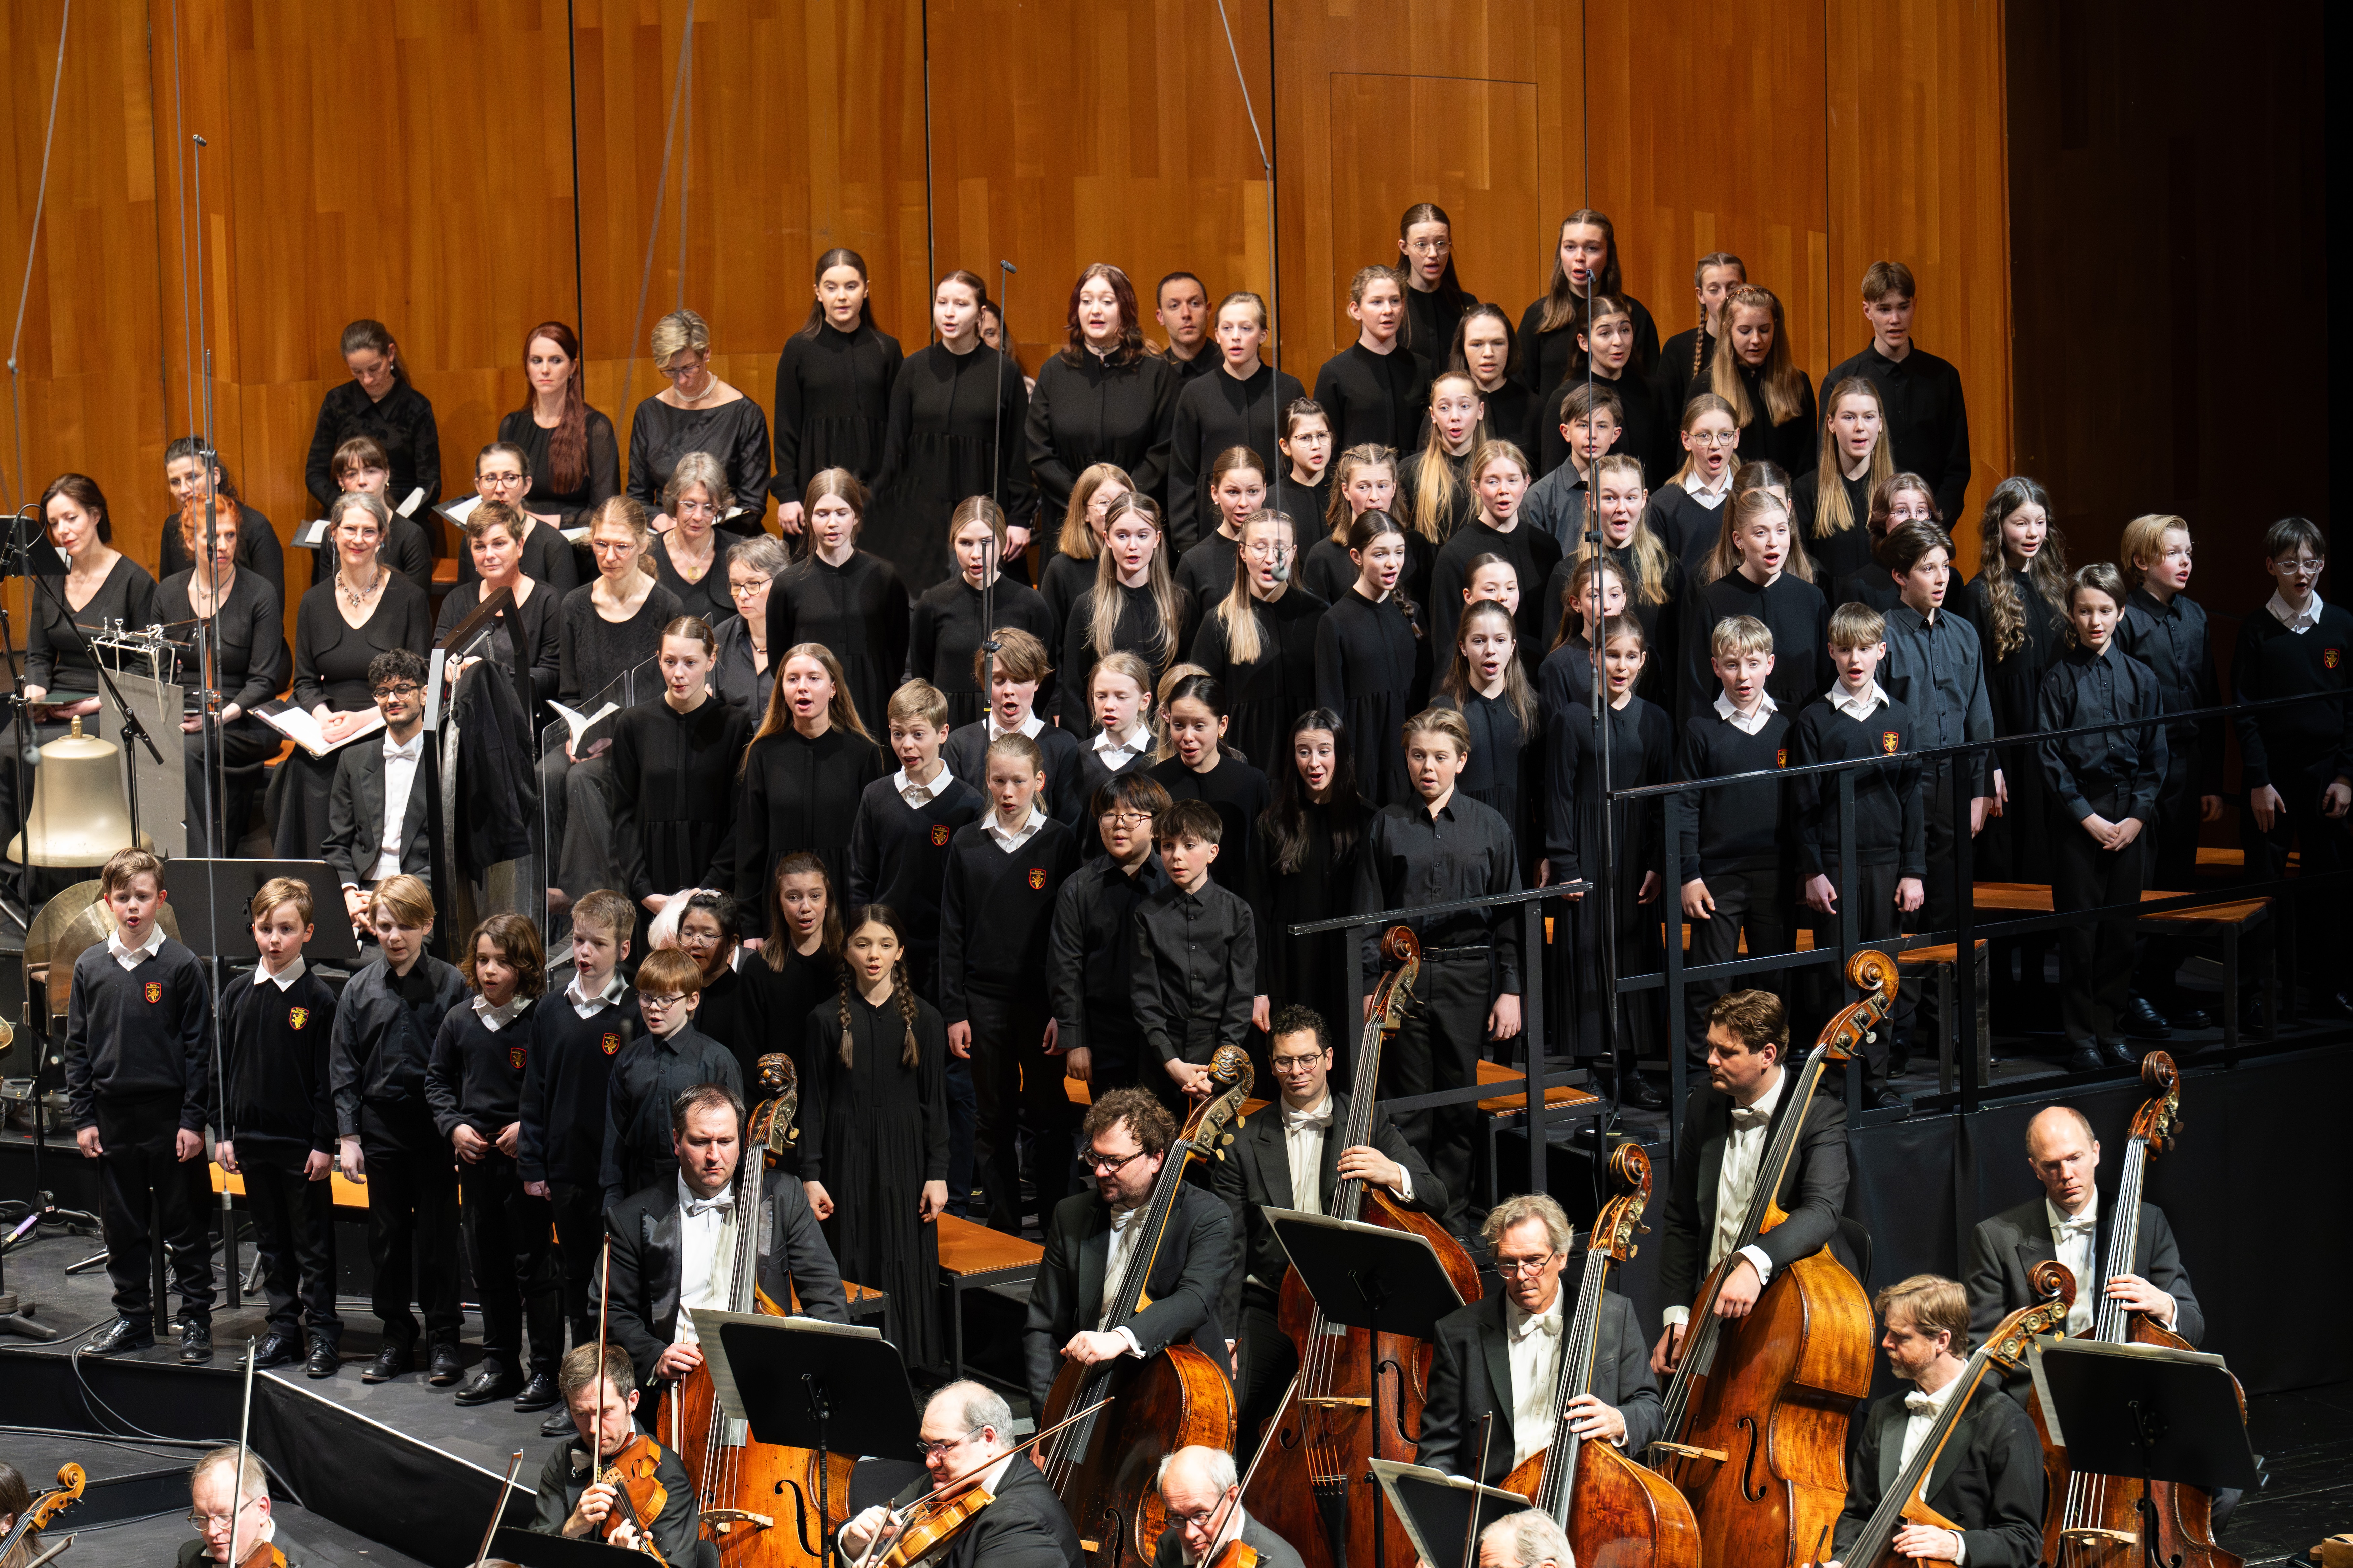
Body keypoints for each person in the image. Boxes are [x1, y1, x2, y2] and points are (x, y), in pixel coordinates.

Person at [1216, 1006, 1436, 1449]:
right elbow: (1229, 1248)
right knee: (1231, 1411)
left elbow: (1437, 1194)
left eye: (1308, 1059)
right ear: (1271, 1065)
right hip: (1273, 1301)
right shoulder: (1241, 1140)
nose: (1297, 1071)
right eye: (1284, 1061)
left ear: (1329, 1058)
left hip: (1356, 1303)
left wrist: (1392, 1172)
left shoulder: (1367, 1121)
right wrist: (1225, 1332)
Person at [1352, 706, 1521, 1228]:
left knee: (1458, 1101)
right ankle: (1410, 1209)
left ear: (1461, 761)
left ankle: (1452, 1214)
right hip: (1403, 977)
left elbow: (1512, 914)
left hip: (1469, 974)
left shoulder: (1490, 825)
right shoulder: (1386, 824)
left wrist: (1511, 989)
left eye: (1440, 757)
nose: (1428, 767)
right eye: (1418, 755)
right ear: (1406, 758)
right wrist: (1367, 984)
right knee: (1408, 1101)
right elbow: (1369, 913)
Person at [1651, 990, 1850, 1376]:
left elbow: (1822, 1209)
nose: (1710, 1060)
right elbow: (1682, 1219)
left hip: (1786, 1310)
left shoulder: (1819, 1114)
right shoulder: (1703, 1104)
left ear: (1767, 1055)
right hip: (1711, 1306)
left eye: (1726, 1052)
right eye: (1710, 1047)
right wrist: (1677, 1316)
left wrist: (1754, 1262)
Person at [65, 847, 215, 1361]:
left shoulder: (181, 965)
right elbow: (77, 1049)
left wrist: (194, 1120)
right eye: (123, 897)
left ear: (160, 900)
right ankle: (134, 1319)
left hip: (169, 1117)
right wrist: (83, 1117)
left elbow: (200, 1050)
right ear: (108, 902)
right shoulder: (89, 966)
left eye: (143, 897)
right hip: (111, 1118)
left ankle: (196, 1319)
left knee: (185, 1221)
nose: (133, 906)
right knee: (123, 1225)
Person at [603, 1081, 848, 1396]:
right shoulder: (630, 1218)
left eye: (726, 1141)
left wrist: (805, 1375)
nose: (714, 1156)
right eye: (701, 1141)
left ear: (742, 1142)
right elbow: (612, 1312)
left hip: (769, 1380)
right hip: (681, 1387)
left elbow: (826, 1297)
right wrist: (657, 1356)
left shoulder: (784, 1196)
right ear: (677, 1141)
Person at [329, 874, 471, 1385]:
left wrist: (459, 1127)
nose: (395, 936)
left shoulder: (453, 984)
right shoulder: (358, 989)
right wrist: (348, 1137)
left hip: (435, 1130)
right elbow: (344, 1068)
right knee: (386, 1241)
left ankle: (445, 1340)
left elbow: (463, 1061)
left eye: (407, 926)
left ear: (427, 925)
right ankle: (395, 1336)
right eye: (385, 925)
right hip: (382, 1128)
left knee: (437, 1239)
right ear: (371, 926)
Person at [940, 733, 1083, 1233]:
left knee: (1050, 1117)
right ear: (987, 779)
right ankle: (1003, 1228)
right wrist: (956, 1010)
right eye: (998, 780)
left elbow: (1069, 937)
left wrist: (1063, 1012)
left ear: (1038, 781)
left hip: (1041, 1004)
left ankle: (1056, 1225)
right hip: (984, 1002)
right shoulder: (966, 842)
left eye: (1019, 781)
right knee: (993, 1116)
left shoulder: (1060, 841)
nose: (1008, 790)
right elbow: (952, 931)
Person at [799, 905, 951, 1368]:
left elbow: (937, 1103)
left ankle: (908, 1360)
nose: (874, 954)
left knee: (904, 1254)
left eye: (885, 944)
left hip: (906, 1157)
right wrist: (811, 1173)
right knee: (853, 1250)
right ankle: (854, 1364)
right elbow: (815, 1103)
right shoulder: (825, 1020)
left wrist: (938, 1172)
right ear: (846, 950)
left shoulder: (925, 1019)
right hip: (847, 1155)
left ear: (901, 951)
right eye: (863, 943)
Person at [1418, 1192, 1660, 1481]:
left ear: (1562, 1257)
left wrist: (1617, 1420)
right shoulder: (1458, 1332)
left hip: (1585, 1496)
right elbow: (1438, 1448)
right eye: (1509, 1264)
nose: (1521, 1276)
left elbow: (1650, 1412)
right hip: (1496, 1502)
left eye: (1534, 1261)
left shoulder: (1612, 1315)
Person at [1022, 1088, 1236, 1410]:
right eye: (1095, 1157)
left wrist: (1120, 1338)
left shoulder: (1206, 1216)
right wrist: (1049, 1416)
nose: (1099, 1171)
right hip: (1090, 1388)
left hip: (1178, 1393)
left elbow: (1195, 1299)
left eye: (1115, 1162)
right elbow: (1043, 1325)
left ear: (1155, 1158)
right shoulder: (1071, 1215)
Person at [517, 887, 641, 1431]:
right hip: (566, 1171)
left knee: (616, 1288)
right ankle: (581, 1395)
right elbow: (536, 1092)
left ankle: (622, 1395)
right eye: (579, 940)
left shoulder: (636, 1010)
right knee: (574, 1283)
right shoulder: (551, 1009)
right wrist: (533, 1165)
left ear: (625, 949)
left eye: (598, 943)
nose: (585, 952)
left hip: (620, 1178)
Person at [426, 913, 561, 1410]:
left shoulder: (544, 1017)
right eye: (482, 960)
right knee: (489, 1268)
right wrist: (454, 1125)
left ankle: (547, 1370)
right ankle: (500, 1364)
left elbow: (557, 1085)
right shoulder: (461, 1018)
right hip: (478, 1162)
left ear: (523, 966)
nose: (489, 970)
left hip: (526, 1166)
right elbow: (437, 1080)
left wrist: (529, 1128)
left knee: (534, 1268)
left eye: (502, 962)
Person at [1791, 604, 1924, 1105]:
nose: (1855, 658)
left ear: (1881, 652)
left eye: (1865, 649)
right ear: (1831, 652)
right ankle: (1836, 1081)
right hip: (1836, 863)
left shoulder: (1901, 718)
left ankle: (1876, 1080)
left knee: (1882, 972)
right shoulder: (1814, 720)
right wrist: (1813, 870)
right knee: (1837, 974)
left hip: (1887, 860)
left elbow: (1913, 799)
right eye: (1845, 649)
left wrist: (1913, 871)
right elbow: (1802, 801)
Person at [1822, 1275, 2045, 1568]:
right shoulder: (1885, 1412)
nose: (1886, 1343)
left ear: (1941, 1341)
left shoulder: (2006, 1421)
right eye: (1888, 1332)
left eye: (1901, 1336)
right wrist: (1842, 1563)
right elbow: (1858, 1515)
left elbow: (2025, 1541)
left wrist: (1955, 1544)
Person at [2039, 562, 2167, 1071]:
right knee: (2080, 934)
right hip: (2080, 819)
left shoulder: (2142, 678)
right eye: (2085, 611)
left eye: (2105, 611)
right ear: (2072, 614)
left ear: (2120, 612)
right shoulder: (2058, 680)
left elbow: (2158, 757)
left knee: (2120, 930)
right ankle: (2081, 1037)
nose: (2095, 621)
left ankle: (2111, 1028)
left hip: (2129, 815)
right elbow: (2049, 757)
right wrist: (2086, 817)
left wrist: (2136, 817)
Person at [214, 877, 342, 1378]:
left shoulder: (319, 998)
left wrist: (322, 1141)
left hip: (300, 1147)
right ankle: (284, 1328)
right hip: (251, 1140)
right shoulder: (236, 993)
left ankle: (325, 1333)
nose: (274, 939)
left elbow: (328, 1079)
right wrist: (223, 1131)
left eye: (286, 929)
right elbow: (220, 1071)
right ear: (253, 929)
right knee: (271, 1240)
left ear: (307, 932)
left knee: (312, 1241)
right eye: (266, 928)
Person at [1878, 522, 1998, 1054]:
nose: (1941, 577)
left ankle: (1946, 1026)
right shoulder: (1883, 634)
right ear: (1901, 575)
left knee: (1952, 904)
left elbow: (1980, 715)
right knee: (1906, 906)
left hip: (1955, 782)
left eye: (1945, 566)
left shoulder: (1964, 632)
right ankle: (1897, 1028)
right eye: (1928, 568)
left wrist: (1978, 787)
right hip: (1906, 783)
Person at [1545, 614, 1671, 1104]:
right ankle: (1588, 1068)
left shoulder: (1656, 720)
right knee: (1585, 955)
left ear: (1642, 661)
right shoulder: (1573, 719)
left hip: (1636, 856)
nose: (1620, 665)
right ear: (1595, 657)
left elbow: (1665, 796)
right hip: (1588, 850)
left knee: (1634, 953)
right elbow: (1557, 795)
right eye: (1611, 654)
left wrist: (1659, 862)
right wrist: (1565, 862)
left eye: (1630, 656)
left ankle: (1631, 1068)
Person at [2231, 514, 2353, 1014]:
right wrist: (2259, 780)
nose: (2301, 572)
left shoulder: (2342, 624)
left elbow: (2351, 708)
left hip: (2327, 774)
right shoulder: (2256, 630)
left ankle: (2330, 988)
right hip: (2273, 779)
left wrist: (2346, 775)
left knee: (2332, 885)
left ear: (2321, 564)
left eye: (2310, 562)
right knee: (2263, 887)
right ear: (2271, 566)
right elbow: (2243, 712)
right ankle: (2259, 993)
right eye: (2289, 563)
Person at [3, 477, 161, 863]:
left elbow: (144, 666)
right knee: (8, 748)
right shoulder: (50, 575)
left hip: (109, 701)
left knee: (62, 755)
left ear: (95, 515)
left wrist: (95, 703)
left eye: (70, 518)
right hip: (56, 699)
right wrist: (36, 691)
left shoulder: (135, 580)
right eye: (54, 524)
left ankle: (80, 867)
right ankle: (22, 871)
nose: (62, 531)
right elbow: (39, 655)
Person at [274, 490, 433, 862]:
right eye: (349, 529)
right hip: (329, 728)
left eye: (368, 531)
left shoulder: (409, 598)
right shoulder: (313, 601)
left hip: (389, 722)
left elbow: (419, 683)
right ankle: (315, 894)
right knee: (302, 771)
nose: (357, 540)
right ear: (334, 533)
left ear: (382, 538)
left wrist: (364, 718)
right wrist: (323, 717)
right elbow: (306, 682)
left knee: (362, 768)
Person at [547, 497, 687, 902]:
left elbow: (670, 689)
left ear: (644, 544)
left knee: (583, 778)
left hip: (646, 737)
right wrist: (576, 736)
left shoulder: (666, 606)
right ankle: (549, 890)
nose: (610, 556)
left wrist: (617, 738)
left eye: (621, 546)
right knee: (546, 773)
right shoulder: (575, 604)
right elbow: (570, 690)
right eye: (601, 545)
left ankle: (591, 899)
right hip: (586, 732)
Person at [2116, 514, 2224, 1030]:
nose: (2185, 561)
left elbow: (2210, 699)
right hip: (2142, 769)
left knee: (2179, 882)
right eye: (2173, 552)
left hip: (2188, 764)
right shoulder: (2126, 619)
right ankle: (2132, 992)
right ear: (2141, 562)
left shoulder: (2196, 616)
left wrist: (2210, 783)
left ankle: (2166, 983)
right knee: (2145, 881)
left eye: (2188, 551)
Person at [872, 270, 1034, 595]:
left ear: (981, 313)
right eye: (941, 302)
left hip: (985, 516)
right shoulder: (914, 368)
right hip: (922, 524)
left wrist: (1019, 518)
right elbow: (895, 450)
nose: (949, 312)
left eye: (961, 304)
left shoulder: (1005, 372)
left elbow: (1018, 453)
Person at [1677, 615, 1796, 1047]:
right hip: (1717, 877)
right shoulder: (1700, 729)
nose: (1742, 676)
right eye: (1731, 665)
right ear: (1714, 667)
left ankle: (1772, 1064)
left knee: (1773, 977)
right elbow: (1685, 807)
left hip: (1775, 872)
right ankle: (1699, 1072)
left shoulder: (1790, 724)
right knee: (1710, 981)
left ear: (1770, 663)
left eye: (1751, 663)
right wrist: (1689, 875)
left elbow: (1804, 804)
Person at [158, 491, 287, 853]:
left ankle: (201, 859)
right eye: (211, 537)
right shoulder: (168, 592)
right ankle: (153, 854)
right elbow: (158, 668)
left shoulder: (259, 592)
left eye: (230, 535)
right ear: (188, 540)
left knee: (188, 750)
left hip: (243, 717)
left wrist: (217, 717)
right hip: (186, 713)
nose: (223, 545)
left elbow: (263, 681)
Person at [838, 1382, 1081, 1568]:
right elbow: (872, 1527)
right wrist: (853, 1541)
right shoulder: (949, 1480)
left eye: (942, 1447)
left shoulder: (1024, 1526)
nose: (930, 1461)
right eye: (927, 1447)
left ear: (987, 1439)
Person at [849, 680, 986, 998]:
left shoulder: (969, 804)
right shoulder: (876, 795)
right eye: (898, 734)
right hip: (884, 950)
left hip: (942, 952)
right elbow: (861, 878)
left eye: (918, 734)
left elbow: (971, 891)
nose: (907, 745)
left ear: (943, 733)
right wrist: (864, 938)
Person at [1250, 712, 1375, 1049]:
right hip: (1290, 970)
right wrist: (1260, 988)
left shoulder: (1368, 823)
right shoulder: (1272, 824)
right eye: (1303, 751)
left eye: (1324, 751)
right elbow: (1258, 912)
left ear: (1341, 755)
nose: (1314, 763)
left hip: (1347, 969)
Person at [1049, 772, 1172, 1103]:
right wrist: (1076, 1041)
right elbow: (1066, 968)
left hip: (1166, 1031)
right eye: (1109, 815)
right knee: (1113, 1127)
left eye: (1133, 815)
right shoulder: (1078, 888)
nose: (1119, 825)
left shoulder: (1174, 883)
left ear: (1156, 824)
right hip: (1103, 1032)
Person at [1130, 798, 1258, 1116]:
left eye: (1189, 845)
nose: (1177, 856)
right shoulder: (1148, 913)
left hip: (1218, 1050)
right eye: (1168, 846)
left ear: (1213, 852)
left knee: (1215, 1155)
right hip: (1162, 1052)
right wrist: (1173, 1065)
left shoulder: (1237, 912)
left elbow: (1241, 997)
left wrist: (1219, 1069)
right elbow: (1145, 996)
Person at [1821, 261, 1972, 526]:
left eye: (1903, 307)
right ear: (1867, 310)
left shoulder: (1943, 377)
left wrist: (1933, 526)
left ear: (1915, 305)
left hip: (1928, 529)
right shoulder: (1841, 380)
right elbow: (1828, 464)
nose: (1895, 319)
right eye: (1884, 309)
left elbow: (1957, 468)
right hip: (1862, 526)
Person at [735, 642, 889, 902]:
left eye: (814, 678)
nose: (802, 687)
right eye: (793, 679)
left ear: (833, 689)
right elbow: (750, 846)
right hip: (780, 899)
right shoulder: (763, 753)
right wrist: (750, 924)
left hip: (843, 898)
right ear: (782, 690)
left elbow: (874, 845)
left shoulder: (862, 753)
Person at [1029, 263, 1179, 520]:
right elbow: (1038, 451)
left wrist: (1122, 501)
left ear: (1126, 309)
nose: (1095, 310)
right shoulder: (1055, 371)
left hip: (1136, 516)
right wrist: (1084, 501)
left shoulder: (1156, 372)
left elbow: (1164, 451)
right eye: (1086, 301)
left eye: (1107, 302)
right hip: (1069, 516)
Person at [598, 948, 744, 1211]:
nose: (654, 1008)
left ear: (692, 1001)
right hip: (640, 1185)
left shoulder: (717, 1060)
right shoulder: (629, 1059)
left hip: (702, 1189)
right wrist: (612, 1193)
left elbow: (734, 1138)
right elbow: (616, 1134)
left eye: (666, 1000)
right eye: (646, 998)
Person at [771, 469, 912, 724]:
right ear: (809, 517)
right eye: (822, 514)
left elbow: (898, 651)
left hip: (873, 705)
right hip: (812, 710)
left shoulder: (884, 577)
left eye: (842, 513)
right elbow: (779, 662)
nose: (832, 523)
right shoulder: (788, 584)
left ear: (856, 516)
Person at [1679, 486, 1828, 727]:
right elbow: (1695, 691)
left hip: (1800, 742)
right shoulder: (1714, 601)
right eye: (1761, 533)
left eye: (1781, 531)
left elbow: (1827, 681)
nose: (1773, 543)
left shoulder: (1812, 599)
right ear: (1739, 540)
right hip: (1732, 741)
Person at [534, 1344, 699, 1562]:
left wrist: (632, 1563)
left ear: (632, 1401)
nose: (593, 1428)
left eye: (604, 1412)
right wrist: (570, 1529)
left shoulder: (666, 1474)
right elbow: (535, 1551)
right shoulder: (565, 1458)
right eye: (581, 1414)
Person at [1546, 452, 1683, 710]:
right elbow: (1556, 650)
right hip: (1586, 709)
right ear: (1591, 500)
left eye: (1630, 498)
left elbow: (1677, 656)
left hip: (1648, 713)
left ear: (1644, 499)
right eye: (1610, 498)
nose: (1622, 508)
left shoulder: (1667, 570)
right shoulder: (1569, 572)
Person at [1190, 509, 1324, 772]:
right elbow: (1202, 703)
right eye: (1260, 547)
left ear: (1294, 553)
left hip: (1308, 762)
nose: (1271, 559)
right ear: (1242, 552)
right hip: (1245, 760)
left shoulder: (1319, 617)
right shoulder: (1220, 622)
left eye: (1281, 548)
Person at [773, 248, 903, 519]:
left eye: (851, 286)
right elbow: (786, 426)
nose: (842, 296)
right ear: (818, 292)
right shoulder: (798, 349)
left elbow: (899, 428)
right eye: (831, 288)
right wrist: (787, 495)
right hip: (814, 487)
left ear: (866, 290)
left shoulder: (887, 349)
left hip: (877, 492)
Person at [1170, 294, 1305, 554]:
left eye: (1246, 328)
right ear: (1217, 335)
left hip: (1277, 527)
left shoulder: (1288, 388)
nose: (1236, 337)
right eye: (1227, 328)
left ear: (1263, 335)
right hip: (1213, 529)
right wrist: (1186, 543)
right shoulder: (1196, 393)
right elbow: (1181, 474)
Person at [910, 495, 1058, 727]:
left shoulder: (1031, 604)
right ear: (953, 543)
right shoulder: (933, 603)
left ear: (1002, 540)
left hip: (1011, 725)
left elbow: (1045, 677)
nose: (976, 554)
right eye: (966, 543)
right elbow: (923, 674)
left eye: (986, 543)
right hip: (950, 725)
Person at [1315, 511, 1428, 806]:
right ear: (1357, 556)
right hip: (1362, 753)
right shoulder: (1335, 621)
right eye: (1380, 554)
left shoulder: (1410, 613)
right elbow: (1330, 706)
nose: (1393, 563)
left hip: (1405, 751)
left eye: (1399, 552)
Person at [626, 307, 770, 530]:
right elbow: (637, 497)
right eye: (670, 371)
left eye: (689, 368)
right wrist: (663, 521)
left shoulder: (745, 414)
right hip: (666, 536)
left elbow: (752, 505)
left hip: (726, 537)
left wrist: (697, 525)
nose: (681, 380)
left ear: (707, 354)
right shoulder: (648, 413)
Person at [1060, 493, 1192, 731]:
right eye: (1122, 536)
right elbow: (1073, 690)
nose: (1133, 546)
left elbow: (1190, 683)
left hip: (1163, 742)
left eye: (1143, 536)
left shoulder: (1179, 603)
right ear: (1107, 539)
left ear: (1157, 539)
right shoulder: (1088, 606)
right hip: (1105, 743)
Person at [322, 650, 432, 927]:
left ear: (425, 695)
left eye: (402, 689)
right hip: (360, 891)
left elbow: (452, 854)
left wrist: (391, 903)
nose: (392, 700)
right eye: (383, 692)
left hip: (418, 893)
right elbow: (337, 844)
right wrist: (349, 894)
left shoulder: (446, 759)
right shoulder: (353, 758)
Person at [1516, 209, 1660, 406]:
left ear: (1609, 255)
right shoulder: (1538, 316)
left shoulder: (1635, 315)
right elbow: (1522, 392)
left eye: (1592, 248)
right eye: (1570, 247)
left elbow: (1651, 391)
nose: (1579, 257)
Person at [943, 626, 1087, 822]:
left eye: (1020, 680)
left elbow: (1070, 821)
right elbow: (953, 819)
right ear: (985, 685)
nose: (1009, 690)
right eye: (999, 680)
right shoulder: (960, 745)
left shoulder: (1061, 745)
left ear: (1037, 682)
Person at [1434, 440, 1560, 665]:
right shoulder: (1455, 554)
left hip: (1539, 679)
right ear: (1476, 487)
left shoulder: (1547, 549)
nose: (1504, 491)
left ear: (1527, 483)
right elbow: (1446, 643)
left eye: (1513, 480)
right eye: (1493, 481)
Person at [436, 498, 563, 715]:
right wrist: (447, 668)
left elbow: (552, 676)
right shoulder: (456, 600)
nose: (489, 555)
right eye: (479, 547)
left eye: (499, 544)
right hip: (466, 716)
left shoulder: (547, 601)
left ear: (520, 546)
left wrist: (487, 674)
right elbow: (439, 658)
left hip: (526, 717)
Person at [1149, 672, 1272, 896]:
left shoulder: (1251, 782)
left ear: (1222, 725)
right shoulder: (1154, 783)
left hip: (1236, 914)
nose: (1187, 736)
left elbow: (1263, 865)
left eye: (1199, 726)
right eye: (1178, 725)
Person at [303, 318, 439, 519]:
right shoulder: (337, 401)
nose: (367, 379)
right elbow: (315, 474)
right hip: (346, 512)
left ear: (390, 354)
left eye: (374, 369)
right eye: (357, 372)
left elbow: (430, 484)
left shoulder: (416, 407)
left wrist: (394, 521)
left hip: (401, 516)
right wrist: (348, 510)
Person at [497, 321, 621, 533]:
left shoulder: (596, 428)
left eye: (556, 361)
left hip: (576, 544)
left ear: (572, 367)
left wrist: (542, 522)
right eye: (537, 361)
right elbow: (504, 496)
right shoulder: (512, 426)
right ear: (527, 368)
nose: (545, 370)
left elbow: (606, 513)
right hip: (523, 541)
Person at [1548, 292, 1665, 486]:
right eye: (1605, 333)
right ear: (1584, 342)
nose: (1618, 341)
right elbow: (1554, 479)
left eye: (1625, 330)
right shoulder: (1564, 397)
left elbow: (1660, 466)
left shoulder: (1649, 392)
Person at [1313, 266, 1431, 455]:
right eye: (1377, 302)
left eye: (1394, 301)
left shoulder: (1423, 369)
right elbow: (1326, 448)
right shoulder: (1335, 373)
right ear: (1356, 310)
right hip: (1359, 481)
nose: (1388, 310)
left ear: (1403, 306)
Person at [1703, 286, 1815, 478]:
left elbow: (1808, 461)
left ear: (1776, 329)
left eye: (1764, 330)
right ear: (1727, 330)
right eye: (1745, 331)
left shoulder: (1797, 383)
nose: (1756, 340)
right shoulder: (1706, 385)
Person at [1794, 377, 1895, 588]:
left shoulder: (1900, 491)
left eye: (1869, 417)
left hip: (1889, 616)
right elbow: (1800, 568)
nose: (1860, 427)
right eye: (1849, 418)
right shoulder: (1806, 492)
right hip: (1831, 616)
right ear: (1831, 424)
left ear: (1880, 424)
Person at [158, 437, 285, 597]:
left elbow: (272, 603)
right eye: (175, 482)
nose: (183, 489)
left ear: (216, 475)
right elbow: (168, 599)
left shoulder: (256, 526)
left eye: (192, 477)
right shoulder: (172, 526)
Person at [456, 440, 584, 594]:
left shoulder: (554, 544)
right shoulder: (471, 541)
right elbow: (465, 602)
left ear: (527, 485)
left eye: (510, 478)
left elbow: (562, 612)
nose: (500, 489)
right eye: (490, 478)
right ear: (479, 486)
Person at [311, 435, 436, 593]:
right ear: (341, 482)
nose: (362, 481)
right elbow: (325, 596)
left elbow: (417, 603)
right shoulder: (332, 534)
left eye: (371, 471)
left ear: (387, 474)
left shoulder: (411, 535)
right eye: (351, 474)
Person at [1152, 1446, 1306, 1568]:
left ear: (1232, 1498)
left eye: (1200, 1515)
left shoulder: (1282, 1565)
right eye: (1177, 1517)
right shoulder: (1169, 1544)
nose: (1189, 1535)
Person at [1399, 371, 1488, 557]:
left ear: (1480, 411)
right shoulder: (1409, 473)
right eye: (1445, 408)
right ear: (1433, 414)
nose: (1455, 417)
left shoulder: (1498, 471)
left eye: (1464, 406)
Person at [1042, 464, 1133, 646]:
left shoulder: (1144, 561)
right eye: (1104, 502)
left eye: (1123, 500)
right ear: (1085, 513)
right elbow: (1049, 648)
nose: (1115, 509)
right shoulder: (1062, 569)